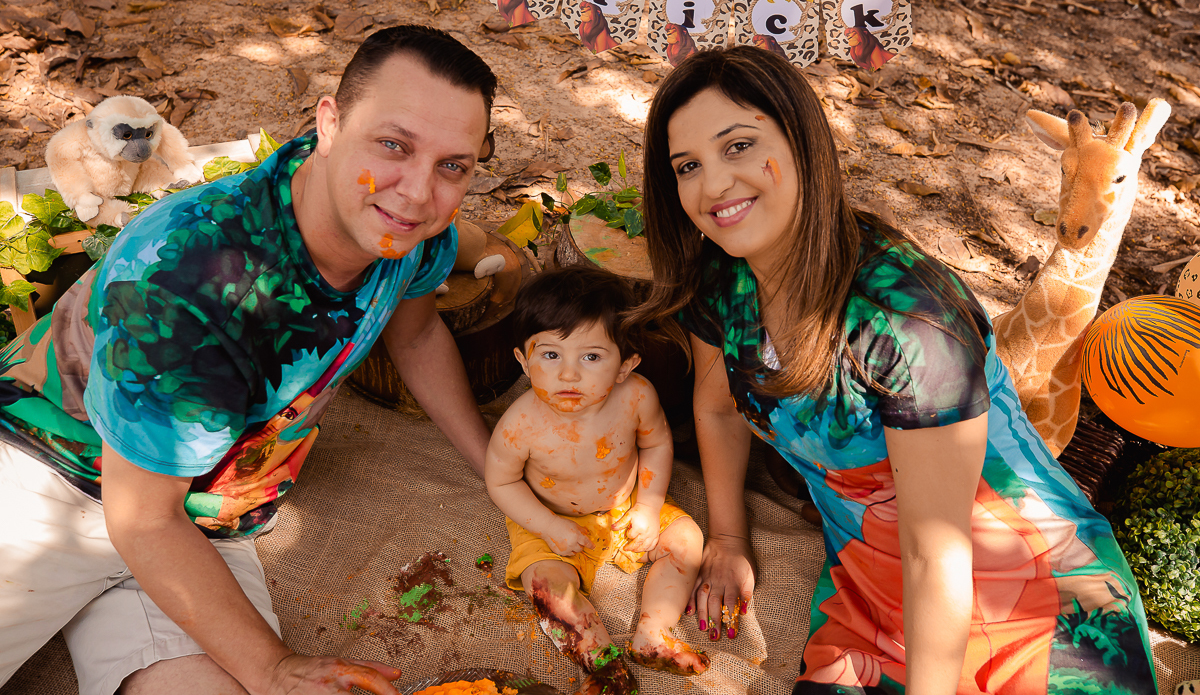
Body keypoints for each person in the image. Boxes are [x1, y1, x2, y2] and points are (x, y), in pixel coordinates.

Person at [632, 45, 1157, 695]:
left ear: (802, 144)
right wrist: (730, 538)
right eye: (688, 165)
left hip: (1021, 592)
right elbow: (715, 405)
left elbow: (937, 554)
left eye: (738, 146)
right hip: (872, 582)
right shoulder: (722, 278)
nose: (713, 185)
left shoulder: (909, 323)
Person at [0, 25, 498, 695]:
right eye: (393, 146)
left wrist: (493, 467)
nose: (416, 193)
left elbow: (415, 335)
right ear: (329, 120)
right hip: (48, 473)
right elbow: (140, 518)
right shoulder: (191, 279)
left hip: (203, 514)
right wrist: (272, 667)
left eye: (452, 166)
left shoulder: (402, 234)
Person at [485, 267, 709, 695]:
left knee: (686, 538)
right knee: (545, 586)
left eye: (591, 357)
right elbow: (502, 483)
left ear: (625, 366)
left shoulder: (636, 397)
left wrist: (647, 508)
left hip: (623, 512)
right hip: (547, 520)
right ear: (522, 360)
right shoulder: (520, 424)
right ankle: (601, 660)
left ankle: (652, 633)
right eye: (550, 355)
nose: (569, 375)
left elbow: (658, 444)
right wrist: (548, 526)